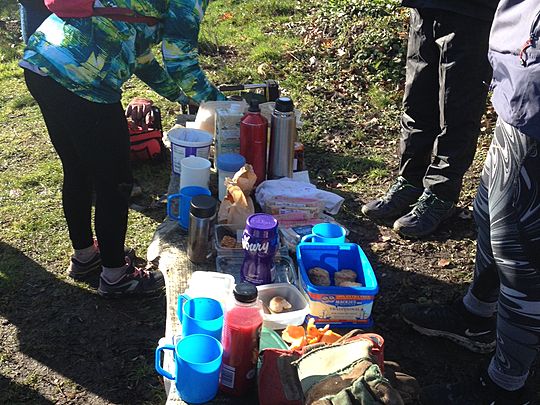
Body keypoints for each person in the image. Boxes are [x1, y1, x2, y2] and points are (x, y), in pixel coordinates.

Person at [20, 0, 226, 297]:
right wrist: (218, 101)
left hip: (42, 62)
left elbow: (139, 51)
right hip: (82, 80)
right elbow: (180, 60)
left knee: (77, 169)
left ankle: (86, 257)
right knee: (115, 181)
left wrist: (178, 94)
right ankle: (116, 276)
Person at [400, 1, 540, 402]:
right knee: (488, 212)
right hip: (519, 76)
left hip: (535, 92)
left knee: (519, 248)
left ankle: (505, 385)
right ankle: (477, 314)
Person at [361, 0, 499, 238]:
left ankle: (440, 194)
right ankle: (410, 180)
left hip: (474, 12)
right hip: (426, 7)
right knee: (417, 101)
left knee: (457, 109)